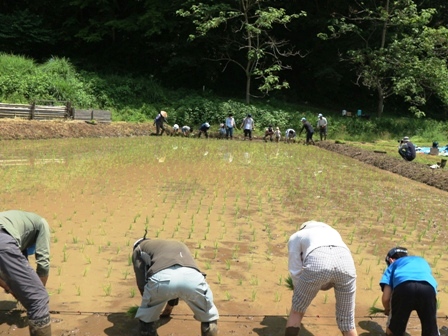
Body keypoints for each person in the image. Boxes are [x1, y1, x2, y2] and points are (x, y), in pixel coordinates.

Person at [132, 235, 219, 336]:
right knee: (208, 316)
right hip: (193, 278)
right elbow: (178, 280)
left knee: (146, 320)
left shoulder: (138, 249)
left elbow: (142, 282)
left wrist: (149, 308)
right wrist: (169, 308)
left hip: (162, 279)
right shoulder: (178, 244)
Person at [286, 221, 358, 336]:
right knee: (347, 321)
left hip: (317, 261)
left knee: (297, 310)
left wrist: (298, 293)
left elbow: (295, 271)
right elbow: (333, 265)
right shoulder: (333, 232)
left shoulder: (297, 236)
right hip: (347, 264)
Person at [0, 210, 52, 336]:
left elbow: (12, 277)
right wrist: (36, 292)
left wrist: (11, 289)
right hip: (3, 239)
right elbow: (43, 263)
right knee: (38, 298)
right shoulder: (42, 223)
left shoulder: (18, 228)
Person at [380, 247, 438, 336]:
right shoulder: (421, 261)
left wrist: (388, 309)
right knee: (430, 329)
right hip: (427, 289)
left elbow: (386, 298)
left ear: (391, 260)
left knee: (394, 330)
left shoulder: (393, 264)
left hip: (404, 288)